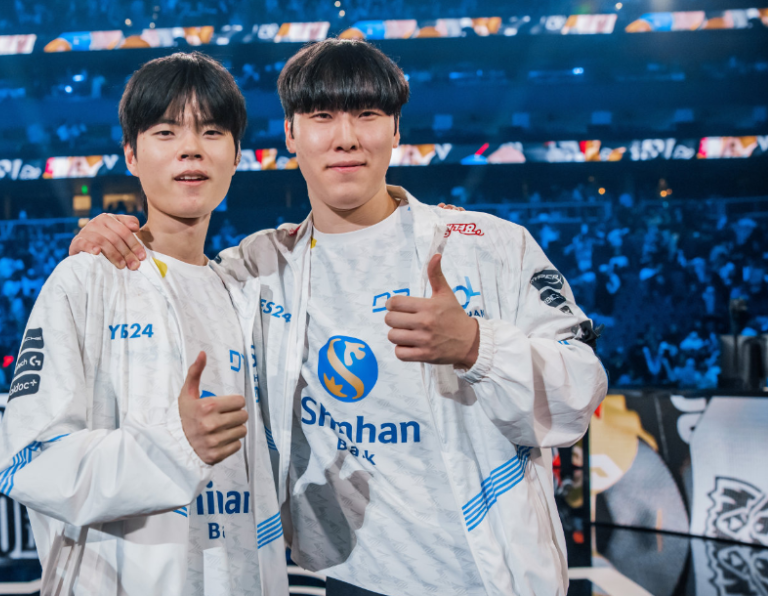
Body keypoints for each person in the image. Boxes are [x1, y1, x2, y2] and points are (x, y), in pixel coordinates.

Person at [72, 39, 607, 596]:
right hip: (351, 579)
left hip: (494, 578)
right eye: (322, 116)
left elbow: (579, 394)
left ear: (396, 130)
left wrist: (478, 347)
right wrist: (109, 236)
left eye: (367, 114)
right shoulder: (257, 269)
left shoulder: (488, 246)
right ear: (290, 134)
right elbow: (176, 269)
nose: (345, 137)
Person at [0, 52, 287, 596]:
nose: (191, 148)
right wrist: (177, 444)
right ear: (130, 153)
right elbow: (28, 461)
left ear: (236, 156)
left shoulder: (247, 291)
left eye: (212, 132)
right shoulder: (86, 279)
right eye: (166, 131)